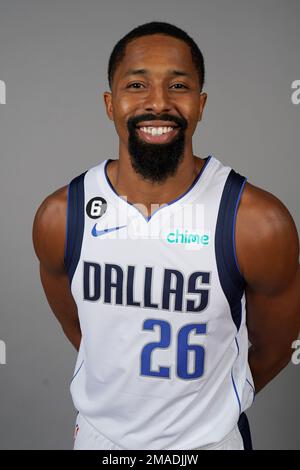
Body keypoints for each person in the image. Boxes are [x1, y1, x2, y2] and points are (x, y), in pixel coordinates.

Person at [32, 21, 300, 450]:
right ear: (110, 102)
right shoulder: (60, 216)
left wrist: (209, 402)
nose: (158, 102)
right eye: (136, 85)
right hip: (102, 439)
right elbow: (82, 328)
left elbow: (276, 347)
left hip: (209, 441)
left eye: (178, 85)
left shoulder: (256, 222)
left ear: (200, 103)